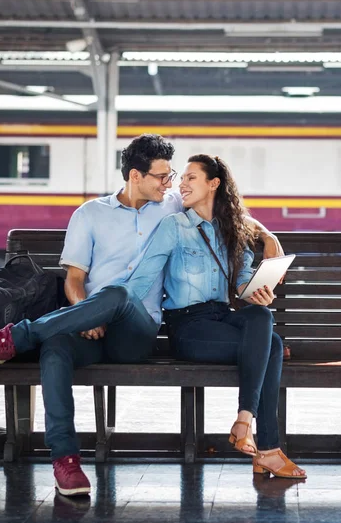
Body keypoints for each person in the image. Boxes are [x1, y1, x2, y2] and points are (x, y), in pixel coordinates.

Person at [0, 134, 286, 497]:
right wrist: (86, 314)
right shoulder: (90, 214)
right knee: (56, 349)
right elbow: (74, 279)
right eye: (162, 176)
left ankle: (15, 337)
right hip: (89, 323)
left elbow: (224, 210)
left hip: (137, 327)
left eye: (173, 175)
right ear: (135, 176)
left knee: (118, 294)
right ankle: (65, 460)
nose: (170, 183)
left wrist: (267, 235)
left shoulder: (171, 206)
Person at [126, 154, 306, 479]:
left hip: (223, 318)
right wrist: (107, 310)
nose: (182, 184)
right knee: (274, 348)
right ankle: (267, 449)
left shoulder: (232, 231)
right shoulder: (174, 227)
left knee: (262, 318)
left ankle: (244, 422)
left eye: (191, 178)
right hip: (188, 327)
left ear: (214, 184)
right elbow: (142, 279)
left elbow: (241, 285)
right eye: (182, 178)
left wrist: (257, 291)